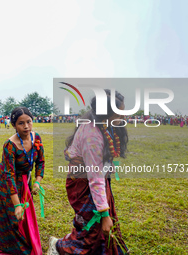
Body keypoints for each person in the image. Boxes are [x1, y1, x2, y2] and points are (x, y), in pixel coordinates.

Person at [48, 90, 129, 255]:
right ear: (107, 112)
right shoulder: (91, 134)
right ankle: (58, 247)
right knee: (93, 227)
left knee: (96, 228)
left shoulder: (104, 124)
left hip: (93, 180)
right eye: (119, 112)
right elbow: (95, 178)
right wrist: (105, 214)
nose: (123, 116)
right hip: (84, 183)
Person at [0, 107, 45, 255]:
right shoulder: (10, 145)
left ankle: (24, 234)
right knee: (11, 211)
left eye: (29, 122)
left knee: (24, 210)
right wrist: (17, 204)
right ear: (14, 125)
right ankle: (9, 241)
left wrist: (37, 182)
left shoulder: (37, 138)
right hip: (7, 180)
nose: (26, 126)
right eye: (21, 123)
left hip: (25, 179)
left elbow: (40, 162)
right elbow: (9, 175)